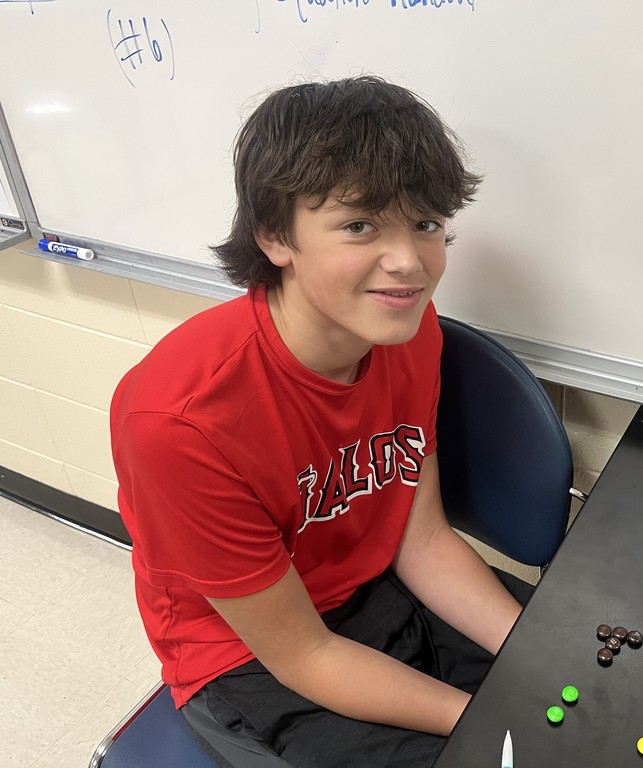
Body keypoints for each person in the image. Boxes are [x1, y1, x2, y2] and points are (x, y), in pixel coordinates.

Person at [110, 76, 531, 767]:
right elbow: (304, 653)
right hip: (245, 656)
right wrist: (490, 719)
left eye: (426, 223)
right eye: (360, 225)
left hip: (376, 590)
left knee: (582, 684)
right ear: (276, 235)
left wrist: (538, 657)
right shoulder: (178, 422)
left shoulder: (408, 329)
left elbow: (419, 541)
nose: (408, 264)